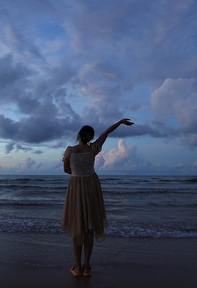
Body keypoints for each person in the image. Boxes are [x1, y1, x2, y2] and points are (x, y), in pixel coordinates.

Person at [61, 118, 134, 277]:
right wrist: (121, 122)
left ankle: (77, 267)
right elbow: (107, 131)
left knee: (76, 227)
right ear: (91, 137)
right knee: (89, 228)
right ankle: (87, 267)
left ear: (79, 135)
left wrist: (75, 171)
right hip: (91, 186)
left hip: (75, 187)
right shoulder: (93, 148)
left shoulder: (69, 151)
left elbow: (67, 170)